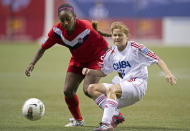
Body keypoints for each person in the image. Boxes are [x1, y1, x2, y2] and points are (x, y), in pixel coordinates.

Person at [25, 3, 110, 127]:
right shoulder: (57, 31)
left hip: (95, 59)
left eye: (68, 19)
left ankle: (113, 111)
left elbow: (105, 45)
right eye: (62, 20)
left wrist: (112, 62)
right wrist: (32, 63)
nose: (65, 23)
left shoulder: (86, 28)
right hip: (78, 60)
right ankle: (78, 121)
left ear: (74, 17)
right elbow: (43, 48)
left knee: (88, 89)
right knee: (68, 91)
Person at [82, 21, 177, 131]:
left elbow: (157, 59)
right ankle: (115, 114)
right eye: (115, 35)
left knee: (112, 89)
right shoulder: (111, 52)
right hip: (124, 85)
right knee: (91, 88)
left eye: (120, 35)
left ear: (127, 36)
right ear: (112, 36)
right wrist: (90, 71)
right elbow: (104, 72)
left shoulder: (136, 47)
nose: (117, 37)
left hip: (138, 85)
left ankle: (105, 124)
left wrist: (168, 73)